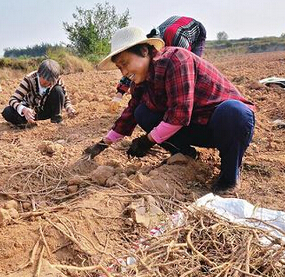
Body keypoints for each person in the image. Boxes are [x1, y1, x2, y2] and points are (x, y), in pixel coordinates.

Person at [84, 26, 256, 193]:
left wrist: (148, 140)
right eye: (120, 68)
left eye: (125, 63)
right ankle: (185, 155)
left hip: (224, 125)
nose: (124, 72)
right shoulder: (141, 82)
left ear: (144, 51)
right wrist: (102, 144)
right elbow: (129, 116)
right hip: (193, 125)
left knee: (233, 112)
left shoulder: (176, 59)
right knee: (142, 113)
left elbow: (180, 112)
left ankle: (229, 175)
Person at [113, 16, 207, 102]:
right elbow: (131, 67)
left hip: (194, 32)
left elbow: (184, 67)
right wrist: (120, 93)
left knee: (189, 73)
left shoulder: (176, 43)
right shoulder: (145, 52)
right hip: (171, 27)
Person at [1, 59, 75, 128]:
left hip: (47, 110)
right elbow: (13, 99)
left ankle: (56, 119)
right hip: (30, 113)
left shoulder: (57, 80)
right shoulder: (29, 79)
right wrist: (24, 109)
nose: (49, 84)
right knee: (7, 111)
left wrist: (69, 109)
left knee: (58, 90)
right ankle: (27, 124)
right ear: (39, 74)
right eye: (45, 82)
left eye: (51, 82)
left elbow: (65, 99)